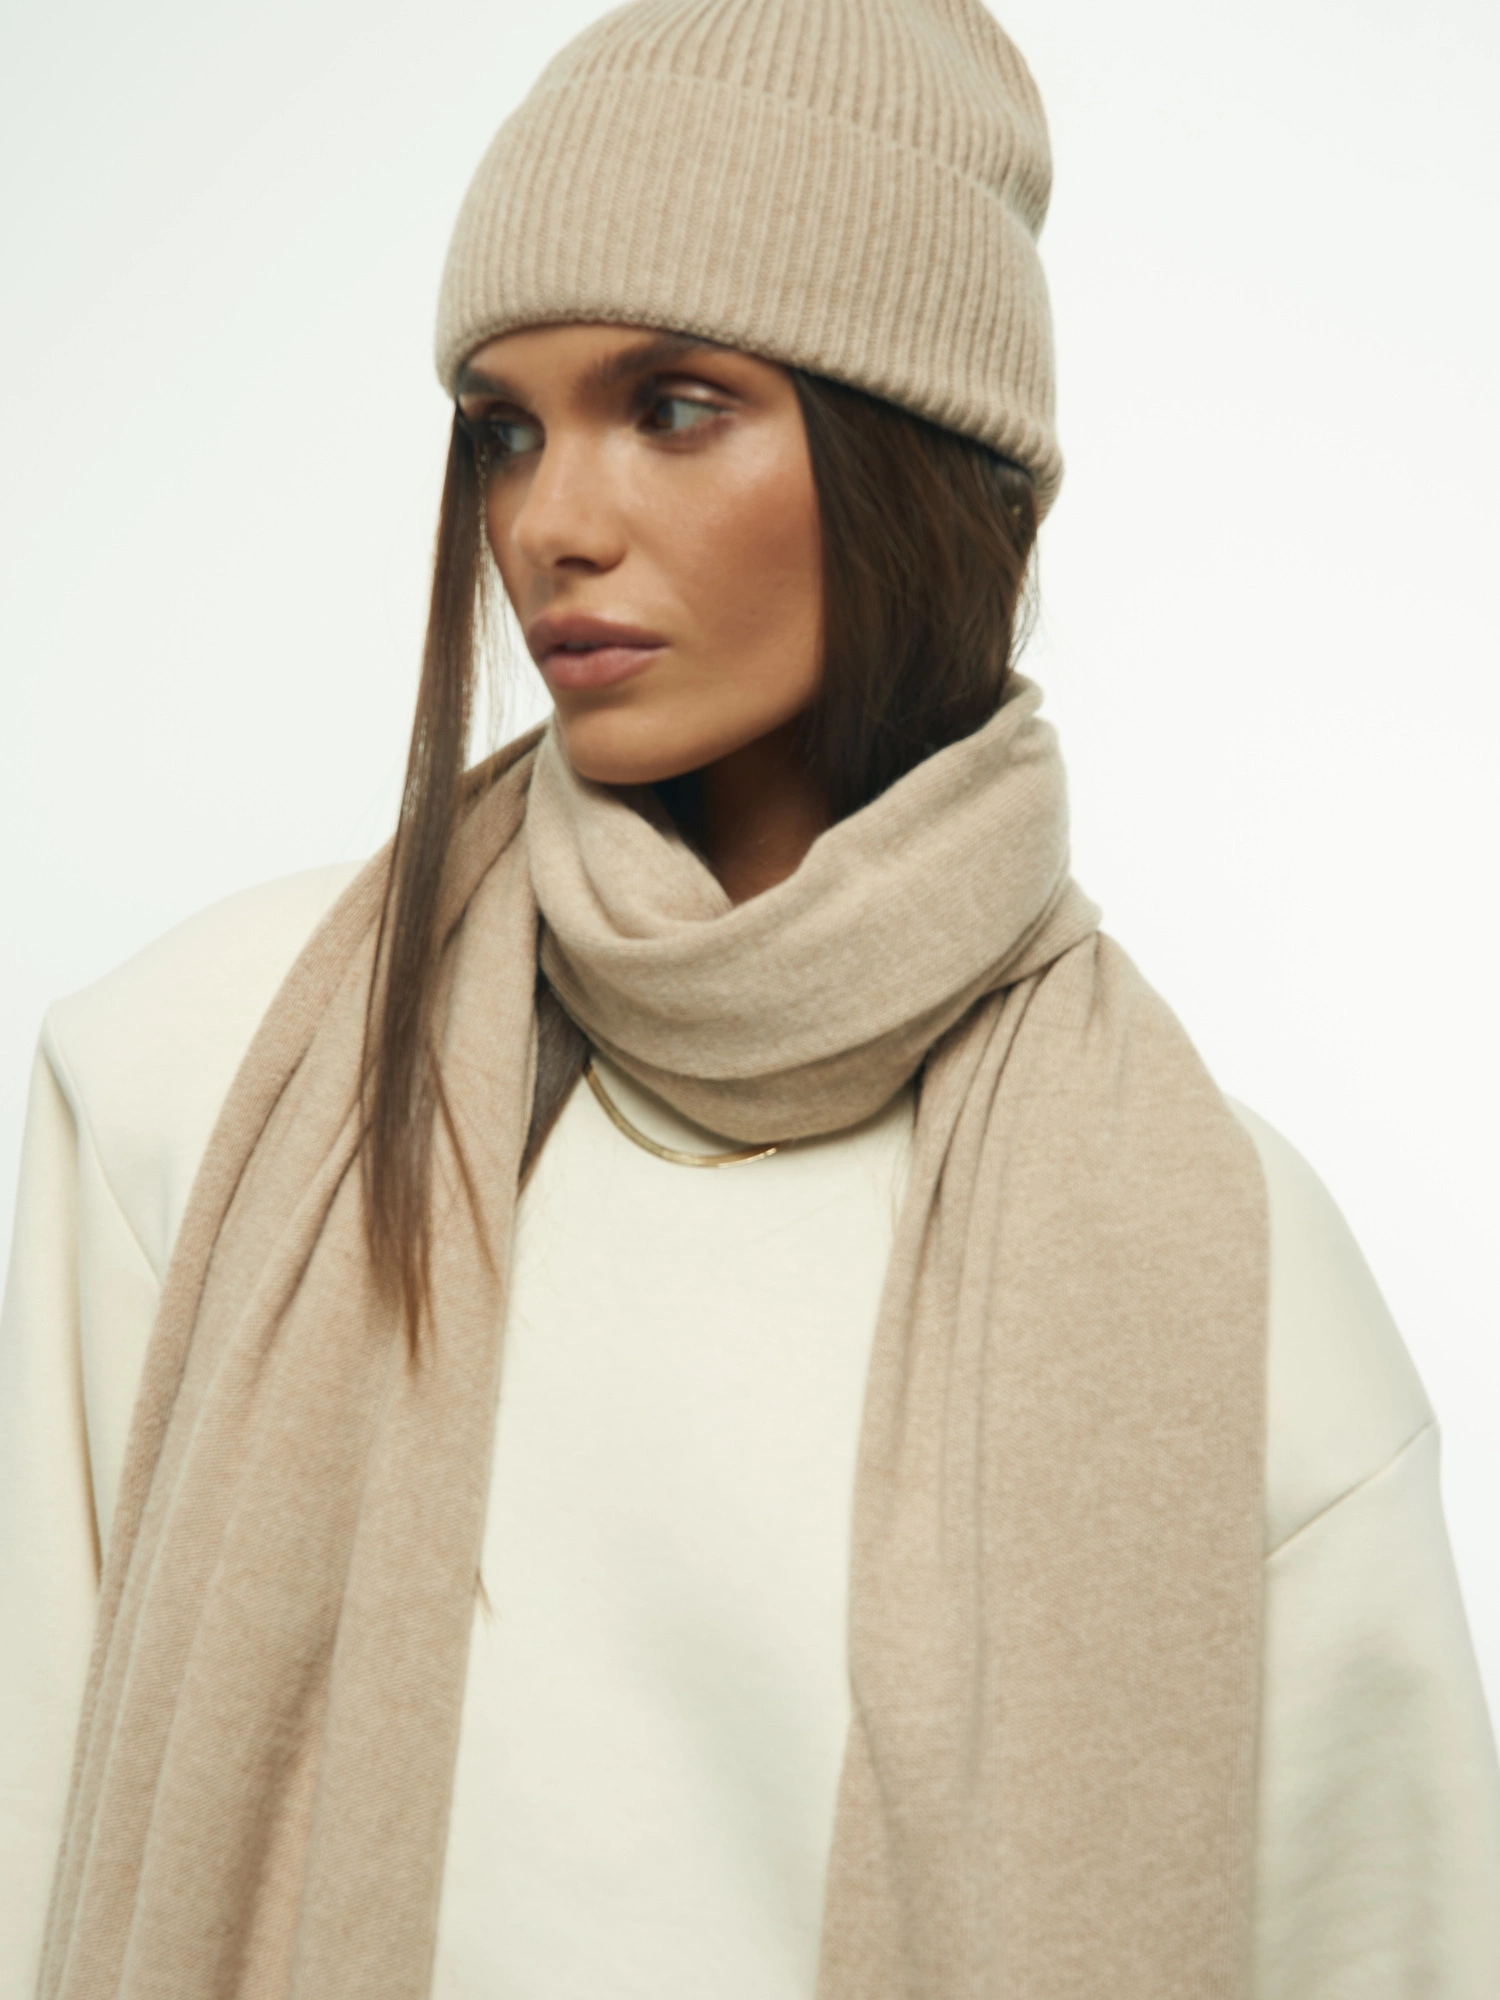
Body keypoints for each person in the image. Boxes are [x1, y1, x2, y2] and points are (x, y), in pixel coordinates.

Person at [2, 0, 1497, 1995]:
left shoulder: (1229, 1271)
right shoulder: (190, 1089)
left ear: (917, 460)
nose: (551, 519)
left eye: (676, 403)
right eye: (506, 426)